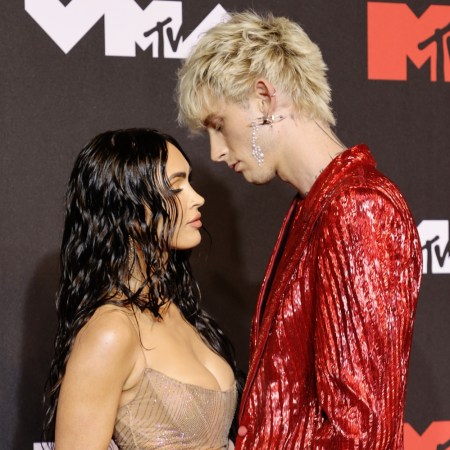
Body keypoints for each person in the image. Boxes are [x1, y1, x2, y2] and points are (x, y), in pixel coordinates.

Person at [177, 11, 422, 450]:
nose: (215, 152)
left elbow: (361, 430)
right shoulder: (313, 207)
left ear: (264, 99)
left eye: (218, 125)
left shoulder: (358, 208)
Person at [43, 128, 242, 450]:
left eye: (190, 182)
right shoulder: (111, 331)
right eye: (177, 186)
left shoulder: (177, 309)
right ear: (130, 209)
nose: (198, 198)